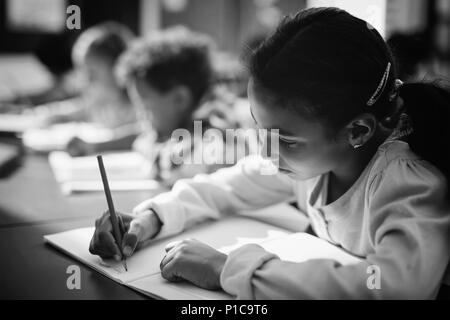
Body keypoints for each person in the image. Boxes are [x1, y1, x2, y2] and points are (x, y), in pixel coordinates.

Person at [89, 8, 450, 299]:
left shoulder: (405, 183)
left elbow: (397, 288)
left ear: (357, 130)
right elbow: (223, 188)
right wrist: (150, 218)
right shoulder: (309, 159)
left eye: (286, 140)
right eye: (261, 130)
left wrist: (226, 269)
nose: (265, 150)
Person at [115, 26, 251, 186]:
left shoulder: (218, 122)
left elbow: (181, 170)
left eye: (145, 108)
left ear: (180, 99)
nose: (142, 117)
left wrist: (153, 149)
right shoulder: (193, 120)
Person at [33, 22, 140, 156]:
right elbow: (77, 109)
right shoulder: (99, 98)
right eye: (85, 72)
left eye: (93, 72)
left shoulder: (139, 102)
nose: (87, 80)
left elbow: (144, 133)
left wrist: (94, 146)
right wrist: (47, 115)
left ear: (118, 67)